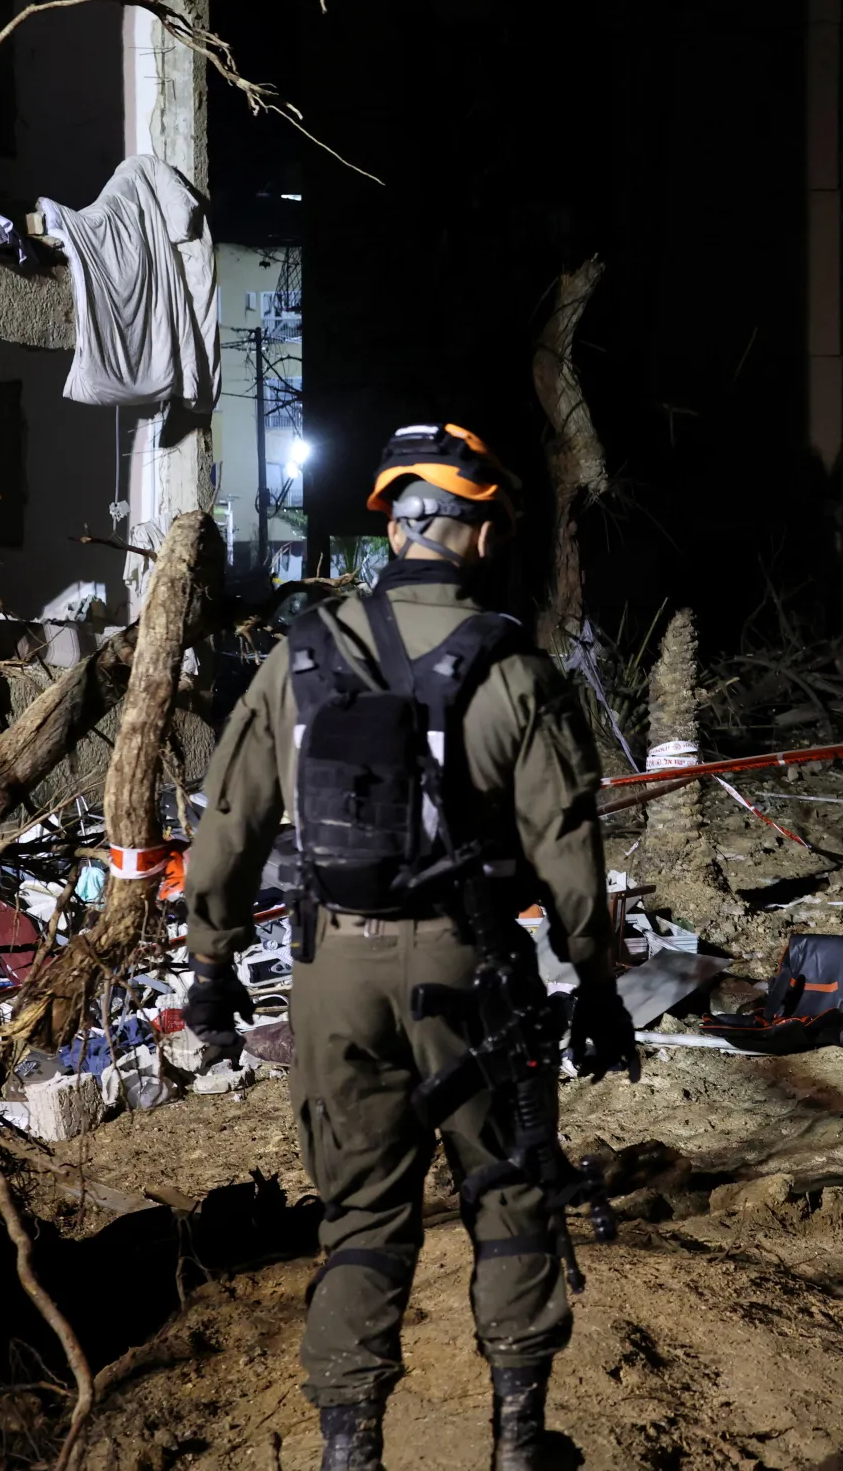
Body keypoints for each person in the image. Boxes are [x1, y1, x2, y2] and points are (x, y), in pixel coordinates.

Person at [182, 423, 640, 1471]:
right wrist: (597, 982)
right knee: (509, 1192)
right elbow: (568, 846)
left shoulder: (300, 654)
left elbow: (230, 821)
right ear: (479, 533)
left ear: (394, 526)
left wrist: (211, 963)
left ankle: (351, 1450)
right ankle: (517, 1444)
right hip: (467, 972)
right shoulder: (516, 669)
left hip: (331, 972)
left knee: (360, 1218)